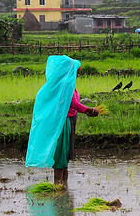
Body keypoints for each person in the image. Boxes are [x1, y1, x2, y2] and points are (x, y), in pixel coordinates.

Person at [26, 55, 99, 183]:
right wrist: (89, 109)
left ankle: (63, 186)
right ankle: (58, 185)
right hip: (63, 122)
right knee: (61, 152)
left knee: (65, 153)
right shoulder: (65, 83)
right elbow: (72, 102)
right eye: (77, 72)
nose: (78, 75)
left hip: (69, 119)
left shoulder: (66, 82)